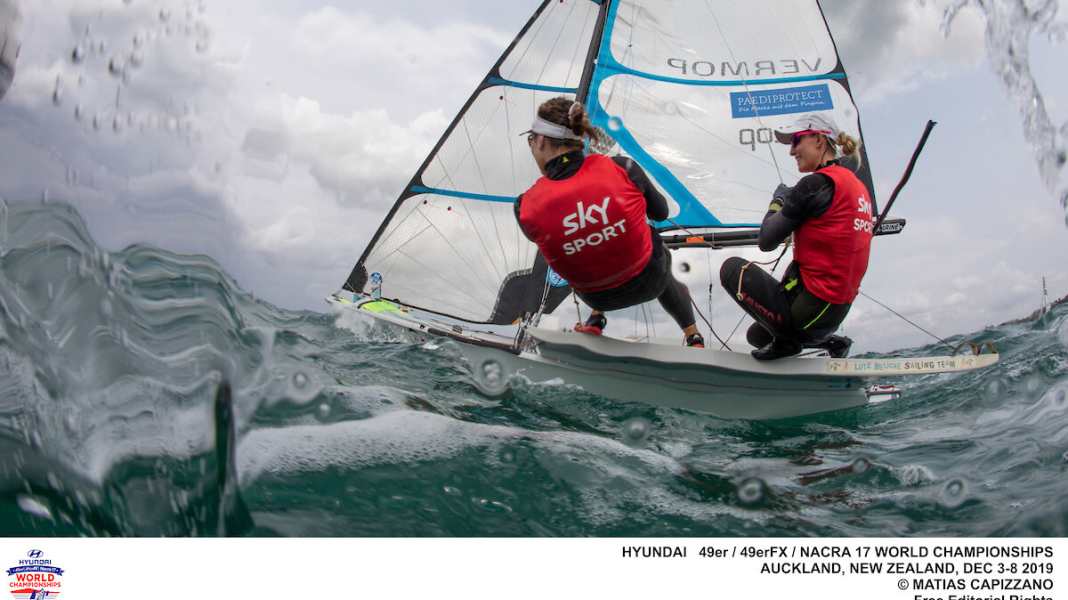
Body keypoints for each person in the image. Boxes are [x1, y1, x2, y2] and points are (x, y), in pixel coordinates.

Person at [514, 97, 704, 348]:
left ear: (540, 140)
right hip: (651, 281)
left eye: (531, 140)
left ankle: (596, 319)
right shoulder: (622, 167)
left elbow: (551, 237)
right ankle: (693, 336)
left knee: (582, 246)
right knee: (643, 231)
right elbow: (660, 213)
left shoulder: (524, 206)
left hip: (594, 297)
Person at [719, 113, 873, 360]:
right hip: (833, 313)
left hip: (811, 311)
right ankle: (831, 342)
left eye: (796, 141)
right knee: (757, 336)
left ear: (819, 141)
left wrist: (778, 201)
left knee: (731, 269)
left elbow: (766, 241)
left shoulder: (814, 184)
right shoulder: (857, 187)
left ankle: (789, 342)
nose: (792, 151)